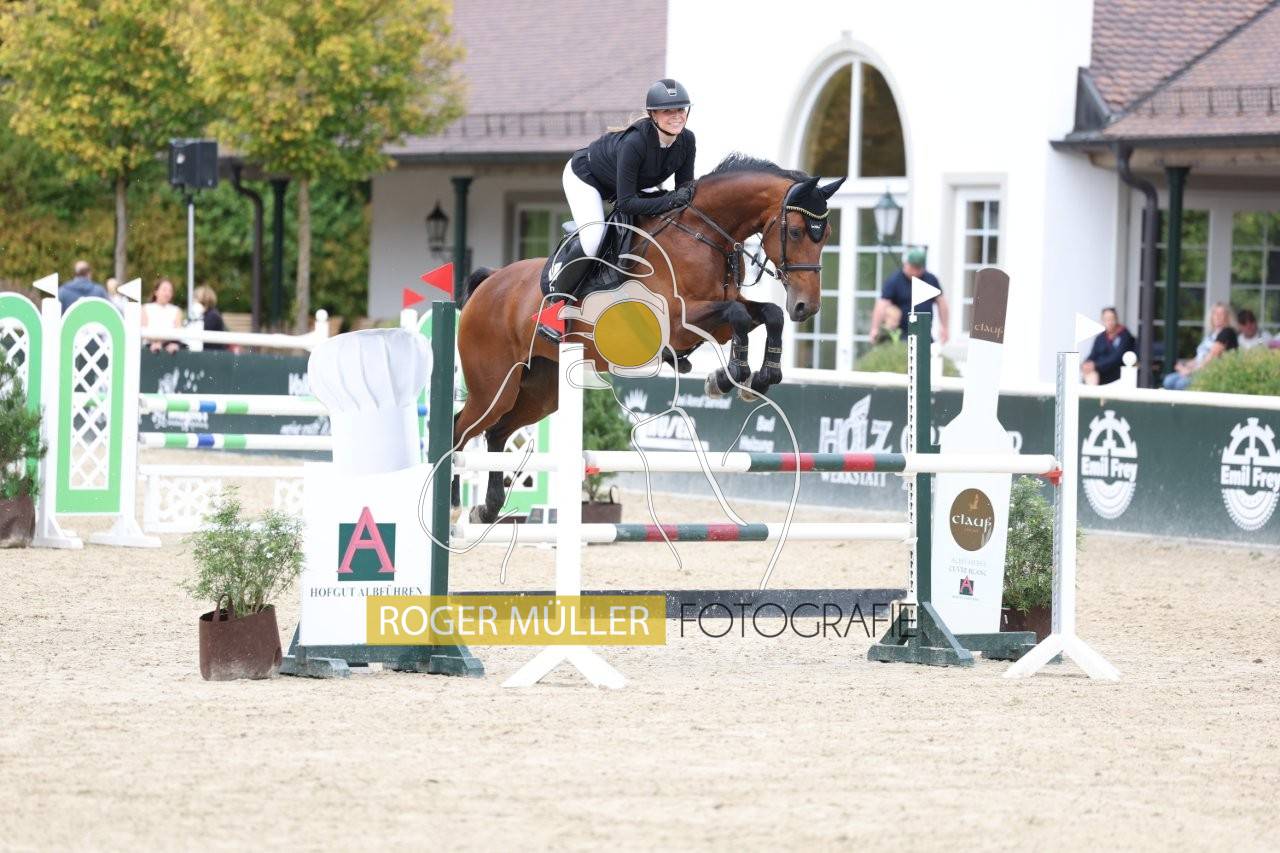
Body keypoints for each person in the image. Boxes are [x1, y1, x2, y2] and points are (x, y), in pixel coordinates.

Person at [538, 78, 697, 343]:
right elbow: (625, 204)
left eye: (680, 109)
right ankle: (554, 309)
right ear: (653, 115)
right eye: (668, 111)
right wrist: (670, 200)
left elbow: (684, 192)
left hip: (629, 185)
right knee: (594, 238)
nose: (676, 116)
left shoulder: (687, 140)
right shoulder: (635, 143)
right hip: (586, 178)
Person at [869, 248, 950, 344]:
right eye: (912, 267)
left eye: (918, 268)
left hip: (923, 333)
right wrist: (875, 329)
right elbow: (882, 305)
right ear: (906, 264)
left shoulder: (931, 279)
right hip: (900, 334)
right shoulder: (894, 281)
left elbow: (941, 303)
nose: (915, 271)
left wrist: (944, 327)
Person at [1162, 302, 1237, 390]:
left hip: (1209, 373)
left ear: (1227, 317)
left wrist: (1190, 371)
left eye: (1221, 314)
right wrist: (1185, 366)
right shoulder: (1211, 335)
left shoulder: (1227, 333)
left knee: (1180, 384)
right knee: (1168, 380)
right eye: (1215, 313)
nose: (1217, 317)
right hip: (1198, 370)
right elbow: (1199, 358)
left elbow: (1210, 359)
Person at [1082, 307, 1137, 385]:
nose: (1109, 322)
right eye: (1106, 319)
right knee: (1090, 374)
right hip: (1100, 374)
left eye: (1111, 319)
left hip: (1116, 375)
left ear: (1116, 319)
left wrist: (1096, 365)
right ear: (1102, 321)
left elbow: (1117, 357)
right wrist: (1086, 364)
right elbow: (1093, 355)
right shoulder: (1100, 337)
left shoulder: (1125, 336)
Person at [142, 278, 184, 354]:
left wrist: (171, 344)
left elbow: (178, 332)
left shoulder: (177, 310)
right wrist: (155, 342)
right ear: (156, 292)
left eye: (170, 291)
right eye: (164, 290)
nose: (167, 293)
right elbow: (143, 330)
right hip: (149, 347)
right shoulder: (145, 308)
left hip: (170, 348)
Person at [194, 285, 228, 351]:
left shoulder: (212, 315)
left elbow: (201, 331)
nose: (194, 300)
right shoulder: (206, 314)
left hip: (213, 352)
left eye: (196, 297)